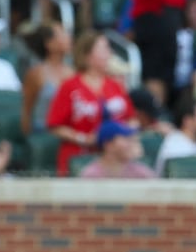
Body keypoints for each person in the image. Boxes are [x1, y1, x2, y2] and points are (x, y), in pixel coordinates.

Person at [47, 31, 137, 176]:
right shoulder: (70, 86)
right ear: (87, 55)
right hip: (79, 155)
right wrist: (84, 138)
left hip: (114, 157)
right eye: (103, 49)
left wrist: (124, 136)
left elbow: (131, 118)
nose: (109, 53)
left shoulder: (115, 85)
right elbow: (55, 126)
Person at [78, 120, 159, 179]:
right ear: (108, 144)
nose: (131, 144)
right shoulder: (91, 175)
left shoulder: (141, 173)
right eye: (126, 139)